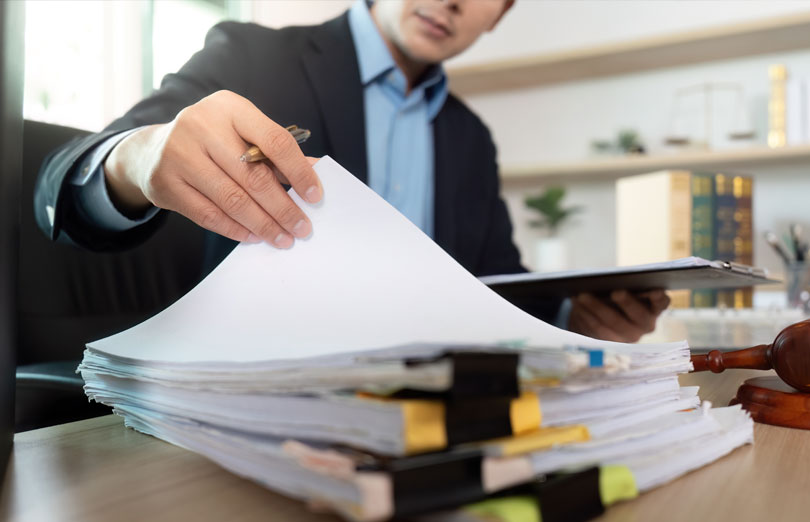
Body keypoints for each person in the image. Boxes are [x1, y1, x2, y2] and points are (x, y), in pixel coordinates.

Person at [34, 0, 669, 342]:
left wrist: (574, 318)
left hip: (423, 404)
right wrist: (138, 156)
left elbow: (492, 283)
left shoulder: (471, 139)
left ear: (499, 14)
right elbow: (61, 184)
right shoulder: (252, 55)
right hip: (258, 393)